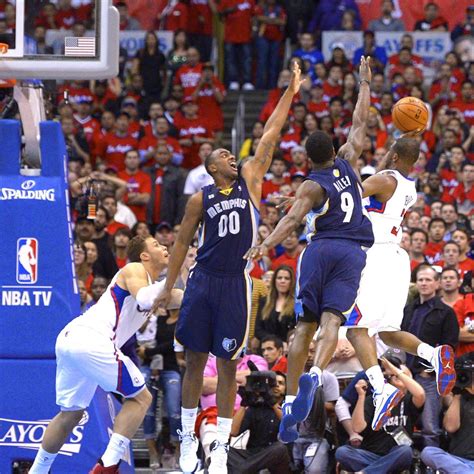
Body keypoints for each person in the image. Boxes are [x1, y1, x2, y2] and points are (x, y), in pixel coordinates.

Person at [153, 63, 304, 473]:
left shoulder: (251, 179)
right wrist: (168, 286)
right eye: (223, 155)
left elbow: (269, 135)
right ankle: (188, 437)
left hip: (235, 282)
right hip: (203, 280)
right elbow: (180, 243)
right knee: (194, 362)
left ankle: (219, 443)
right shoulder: (199, 199)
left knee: (227, 365)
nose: (231, 157)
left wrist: (290, 92)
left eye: (231, 154)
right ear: (211, 168)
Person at [244, 57, 374, 443]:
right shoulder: (348, 161)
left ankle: (290, 400)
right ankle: (316, 373)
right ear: (334, 149)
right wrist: (364, 84)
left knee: (305, 325)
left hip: (320, 251)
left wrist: (264, 244)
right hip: (353, 253)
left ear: (307, 158)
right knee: (333, 321)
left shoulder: (311, 185)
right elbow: (360, 122)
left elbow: (291, 222)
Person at [344, 136, 457, 431]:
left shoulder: (383, 180)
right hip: (396, 258)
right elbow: (385, 170)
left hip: (374, 256)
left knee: (356, 328)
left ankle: (381, 389)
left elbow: (349, 193)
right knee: (388, 332)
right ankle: (433, 354)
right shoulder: (408, 186)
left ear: (393, 157)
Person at [29, 236, 169, 473]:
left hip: (71, 339)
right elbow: (147, 298)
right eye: (156, 244)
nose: (164, 246)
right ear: (144, 255)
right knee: (141, 398)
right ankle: (109, 464)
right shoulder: (135, 269)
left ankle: (37, 471)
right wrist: (177, 273)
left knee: (70, 415)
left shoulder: (154, 287)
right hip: (92, 339)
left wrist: (198, 275)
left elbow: (180, 297)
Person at [401, 265, 459, 447]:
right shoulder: (408, 309)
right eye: (420, 280)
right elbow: (398, 340)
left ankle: (432, 459)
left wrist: (430, 371)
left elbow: (449, 347)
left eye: (428, 280)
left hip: (428, 377)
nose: (424, 283)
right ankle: (404, 460)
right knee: (402, 423)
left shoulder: (446, 312)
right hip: (405, 374)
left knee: (430, 427)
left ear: (437, 283)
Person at [335, 356, 425, 474]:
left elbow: (420, 394)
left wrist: (395, 370)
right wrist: (361, 396)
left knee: (405, 452)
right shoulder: (371, 400)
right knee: (342, 452)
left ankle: (366, 472)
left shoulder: (408, 401)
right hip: (371, 454)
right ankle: (379, 469)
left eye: (401, 375)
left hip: (396, 454)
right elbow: (357, 428)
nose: (396, 376)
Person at [421, 352, 474, 472]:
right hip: (458, 461)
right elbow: (450, 427)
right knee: (428, 452)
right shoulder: (460, 397)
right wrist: (457, 393)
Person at [228, 371, 290, 474]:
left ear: (286, 388)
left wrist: (272, 403)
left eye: (281, 383)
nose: (277, 386)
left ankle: (241, 470)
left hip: (277, 459)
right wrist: (244, 403)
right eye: (273, 383)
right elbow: (233, 432)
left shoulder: (288, 408)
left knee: (280, 448)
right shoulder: (255, 408)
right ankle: (246, 469)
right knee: (219, 447)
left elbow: (289, 426)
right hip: (253, 455)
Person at [255, 265, 296, 342]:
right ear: (274, 281)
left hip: (288, 346)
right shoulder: (264, 301)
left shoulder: (297, 304)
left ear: (292, 282)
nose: (282, 281)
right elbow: (258, 329)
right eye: (279, 278)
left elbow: (297, 328)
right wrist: (275, 342)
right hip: (267, 345)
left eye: (286, 278)